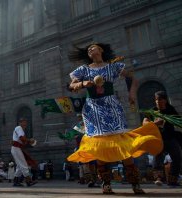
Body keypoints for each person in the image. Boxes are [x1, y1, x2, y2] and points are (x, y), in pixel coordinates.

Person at [66, 43, 163, 194]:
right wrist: (82, 83)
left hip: (112, 106)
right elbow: (71, 85)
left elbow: (132, 78)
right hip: (93, 109)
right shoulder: (83, 69)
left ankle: (135, 183)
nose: (91, 49)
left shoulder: (113, 66)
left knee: (122, 143)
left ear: (101, 50)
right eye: (89, 49)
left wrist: (132, 93)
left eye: (94, 47)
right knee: (100, 145)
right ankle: (106, 183)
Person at [143, 91, 182, 187]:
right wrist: (156, 123)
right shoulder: (152, 111)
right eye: (156, 100)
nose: (158, 102)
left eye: (160, 99)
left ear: (165, 100)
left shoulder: (171, 109)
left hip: (170, 138)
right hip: (158, 139)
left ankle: (172, 181)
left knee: (177, 158)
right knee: (157, 159)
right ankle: (158, 179)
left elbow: (179, 121)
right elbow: (144, 124)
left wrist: (180, 121)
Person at [11, 118, 37, 187]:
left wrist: (29, 142)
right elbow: (21, 138)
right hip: (16, 148)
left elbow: (23, 141)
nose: (25, 123)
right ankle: (29, 181)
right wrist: (29, 140)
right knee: (24, 164)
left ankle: (16, 182)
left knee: (20, 166)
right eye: (24, 122)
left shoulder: (20, 129)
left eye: (26, 122)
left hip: (17, 148)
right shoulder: (19, 128)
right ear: (20, 123)